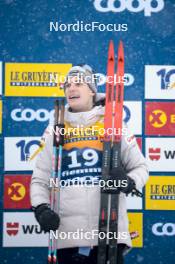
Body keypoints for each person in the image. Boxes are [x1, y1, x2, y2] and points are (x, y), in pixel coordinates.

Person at [30, 64, 149, 264]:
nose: (71, 88)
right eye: (67, 85)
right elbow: (40, 178)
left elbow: (141, 168)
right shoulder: (55, 129)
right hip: (69, 238)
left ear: (92, 90)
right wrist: (41, 208)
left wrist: (129, 182)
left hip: (110, 237)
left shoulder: (114, 124)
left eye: (78, 83)